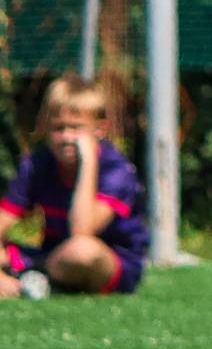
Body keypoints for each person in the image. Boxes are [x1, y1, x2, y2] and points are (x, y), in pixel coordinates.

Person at [0, 75, 147, 299]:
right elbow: (5, 219)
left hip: (107, 261)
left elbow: (82, 231)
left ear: (100, 130)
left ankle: (33, 278)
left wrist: (88, 163)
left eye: (77, 128)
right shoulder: (38, 164)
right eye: (58, 128)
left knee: (82, 251)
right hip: (53, 256)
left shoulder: (116, 170)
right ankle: (30, 281)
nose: (67, 137)